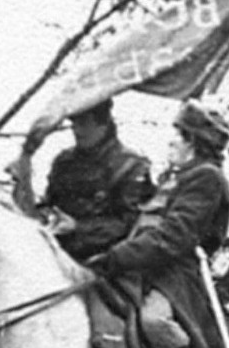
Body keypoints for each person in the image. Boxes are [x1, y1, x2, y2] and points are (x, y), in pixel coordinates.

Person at [87, 101, 229, 348]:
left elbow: (173, 237)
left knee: (154, 322)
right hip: (145, 271)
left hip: (177, 275)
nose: (170, 142)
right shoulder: (174, 178)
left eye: (177, 136)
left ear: (193, 142)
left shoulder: (207, 178)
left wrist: (118, 258)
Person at [35, 98, 155, 263]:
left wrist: (77, 227)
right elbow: (49, 203)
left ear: (103, 124)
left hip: (107, 263)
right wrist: (48, 217)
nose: (77, 131)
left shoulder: (131, 166)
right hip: (57, 256)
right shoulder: (63, 162)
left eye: (84, 124)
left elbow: (131, 225)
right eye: (74, 124)